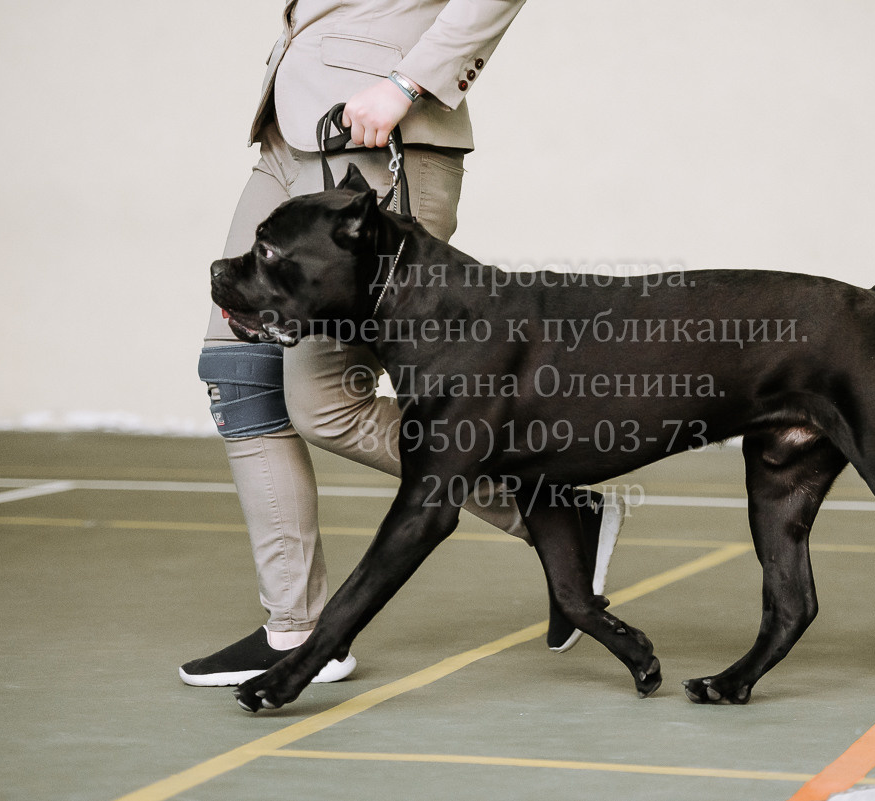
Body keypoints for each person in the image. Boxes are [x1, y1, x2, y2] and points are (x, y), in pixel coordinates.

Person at [180, 0, 623, 687]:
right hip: (285, 134)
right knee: (238, 376)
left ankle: (550, 505)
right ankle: (293, 628)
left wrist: (407, 84)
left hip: (373, 138)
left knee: (326, 402)